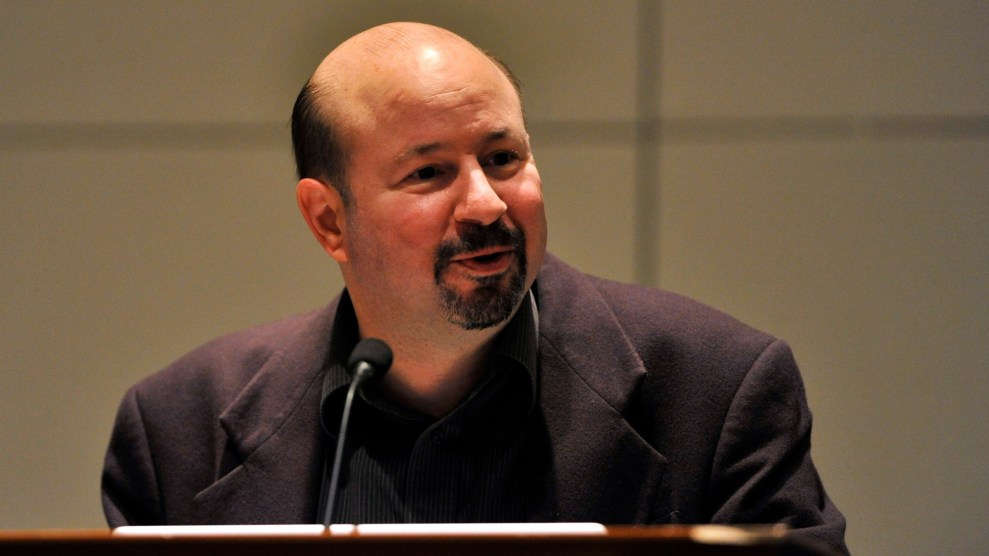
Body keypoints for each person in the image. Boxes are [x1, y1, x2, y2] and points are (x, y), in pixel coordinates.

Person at [101, 22, 848, 554]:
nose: (487, 205)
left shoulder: (716, 392)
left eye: (502, 158)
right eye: (428, 173)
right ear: (329, 220)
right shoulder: (177, 433)